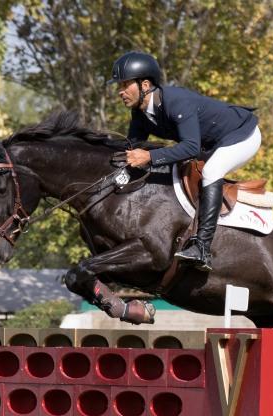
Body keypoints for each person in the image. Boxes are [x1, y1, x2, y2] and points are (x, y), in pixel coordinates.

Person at [108, 51, 261, 272]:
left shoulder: (176, 102)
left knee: (212, 171)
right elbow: (131, 149)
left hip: (242, 135)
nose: (120, 92)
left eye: (125, 85)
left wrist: (149, 157)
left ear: (145, 85)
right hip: (210, 143)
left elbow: (190, 147)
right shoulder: (140, 114)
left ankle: (202, 249)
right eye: (118, 87)